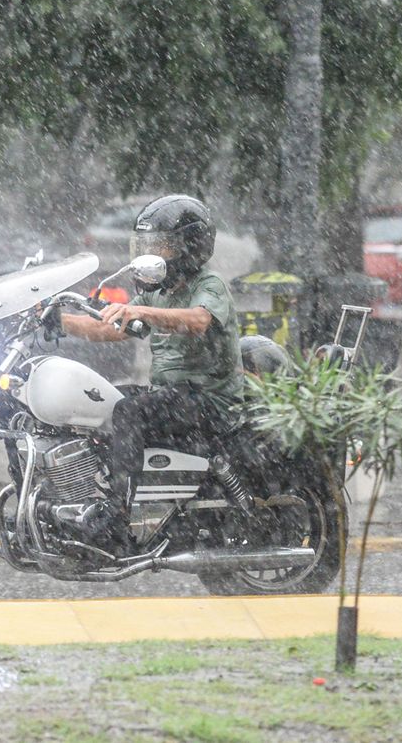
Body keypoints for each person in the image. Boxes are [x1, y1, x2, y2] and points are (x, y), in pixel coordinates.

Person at [58, 193, 243, 545]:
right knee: (105, 403)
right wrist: (57, 320)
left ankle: (117, 515)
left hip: (210, 400)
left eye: (163, 247)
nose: (152, 255)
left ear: (191, 247)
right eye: (147, 246)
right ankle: (89, 502)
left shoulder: (209, 285)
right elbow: (107, 328)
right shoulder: (157, 292)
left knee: (129, 411)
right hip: (174, 396)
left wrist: (140, 312)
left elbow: (199, 320)